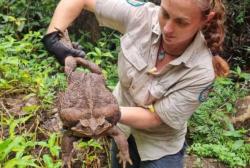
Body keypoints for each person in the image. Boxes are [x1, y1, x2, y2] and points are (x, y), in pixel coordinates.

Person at [42, 0, 230, 167]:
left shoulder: (202, 71)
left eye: (181, 22)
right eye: (164, 13)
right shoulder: (142, 16)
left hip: (159, 149)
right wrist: (53, 38)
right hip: (121, 131)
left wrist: (100, 112)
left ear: (205, 19)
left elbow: (156, 118)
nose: (167, 28)